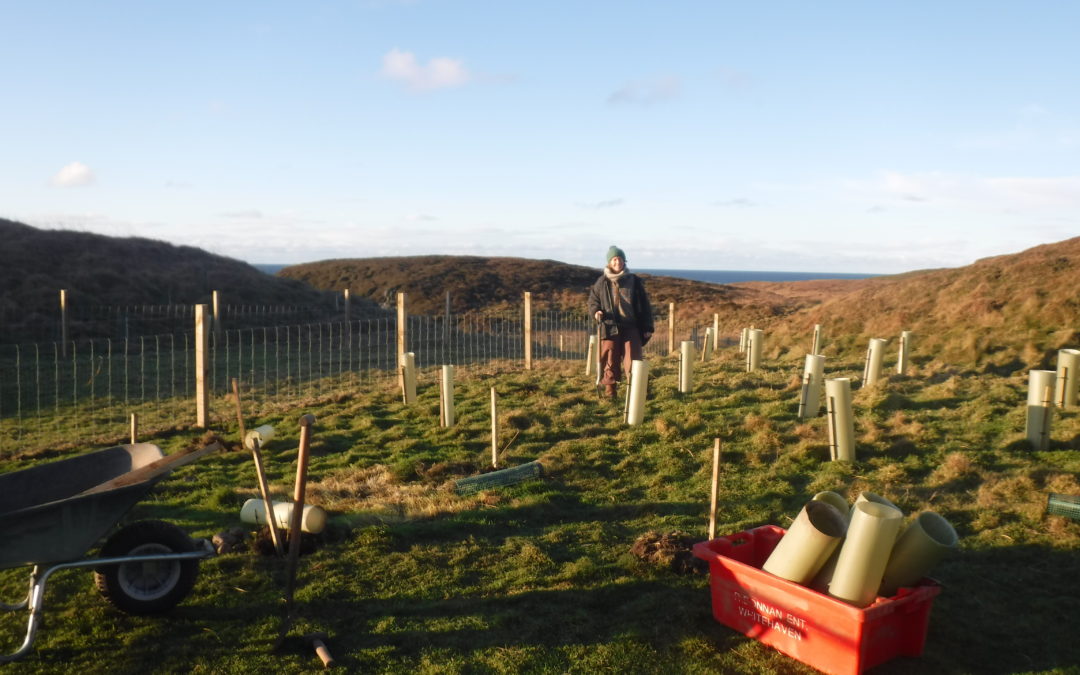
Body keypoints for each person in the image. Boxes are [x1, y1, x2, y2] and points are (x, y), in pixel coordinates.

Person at [587, 245, 654, 399]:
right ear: (609, 262)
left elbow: (644, 305)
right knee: (610, 359)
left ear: (624, 261)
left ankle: (638, 390)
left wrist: (647, 326)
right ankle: (610, 392)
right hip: (610, 327)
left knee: (634, 359)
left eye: (620, 259)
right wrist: (596, 311)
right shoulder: (602, 281)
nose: (618, 262)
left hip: (631, 326)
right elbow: (593, 301)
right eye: (614, 259)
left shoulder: (634, 281)